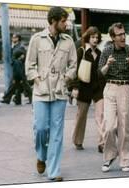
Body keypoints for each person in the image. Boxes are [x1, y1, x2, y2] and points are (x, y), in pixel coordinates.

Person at [25, 7, 77, 181]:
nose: (66, 24)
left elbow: (73, 66)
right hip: (41, 92)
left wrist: (66, 79)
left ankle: (53, 171)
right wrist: (38, 80)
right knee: (40, 128)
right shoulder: (36, 39)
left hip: (60, 92)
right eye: (63, 21)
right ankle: (41, 156)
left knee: (57, 133)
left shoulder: (68, 41)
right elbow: (29, 66)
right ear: (53, 21)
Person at [99, 22, 129, 172]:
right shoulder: (106, 51)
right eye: (119, 35)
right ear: (112, 37)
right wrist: (107, 65)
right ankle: (109, 156)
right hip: (110, 87)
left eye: (124, 34)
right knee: (109, 126)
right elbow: (100, 73)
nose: (123, 37)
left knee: (124, 126)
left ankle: (124, 159)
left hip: (124, 87)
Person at [70, 26, 106, 153]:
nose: (95, 40)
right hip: (83, 87)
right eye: (93, 37)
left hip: (98, 89)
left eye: (97, 37)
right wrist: (74, 87)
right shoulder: (81, 51)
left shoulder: (101, 54)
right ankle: (78, 140)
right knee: (81, 115)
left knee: (101, 115)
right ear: (88, 38)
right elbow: (74, 70)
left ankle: (102, 143)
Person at [1, 33, 32, 105]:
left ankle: (7, 98)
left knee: (17, 83)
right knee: (19, 84)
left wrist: (18, 59)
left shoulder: (20, 47)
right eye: (12, 37)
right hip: (17, 67)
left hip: (19, 68)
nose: (13, 39)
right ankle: (16, 99)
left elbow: (22, 56)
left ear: (18, 38)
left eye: (14, 37)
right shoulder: (15, 46)